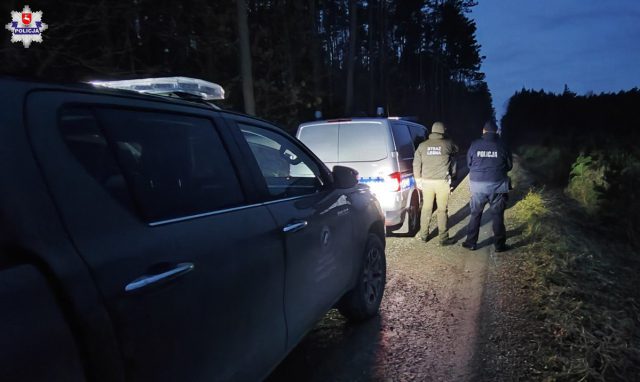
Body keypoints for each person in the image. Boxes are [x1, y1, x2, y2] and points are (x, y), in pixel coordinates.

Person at [462, 121, 513, 252]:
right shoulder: (503, 145)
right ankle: (499, 245)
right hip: (498, 186)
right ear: (497, 132)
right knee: (497, 215)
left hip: (478, 186)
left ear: (483, 131)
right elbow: (509, 166)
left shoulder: (475, 144)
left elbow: (469, 164)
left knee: (475, 214)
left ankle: (471, 243)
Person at [413, 121, 458, 245]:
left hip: (426, 182)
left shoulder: (422, 146)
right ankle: (443, 238)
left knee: (426, 209)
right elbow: (456, 150)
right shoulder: (448, 144)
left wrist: (418, 179)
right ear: (443, 131)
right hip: (442, 183)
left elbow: (416, 163)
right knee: (442, 210)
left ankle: (423, 235)